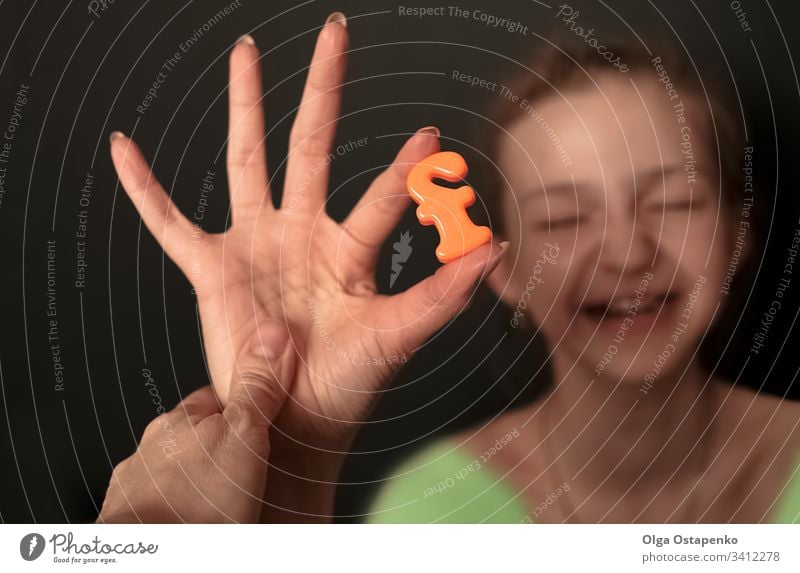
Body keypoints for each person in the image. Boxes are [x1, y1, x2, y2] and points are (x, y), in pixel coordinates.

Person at [98, 12, 800, 523]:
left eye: (672, 201)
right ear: (502, 269)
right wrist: (294, 459)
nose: (626, 251)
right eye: (562, 218)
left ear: (738, 235)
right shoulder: (430, 512)